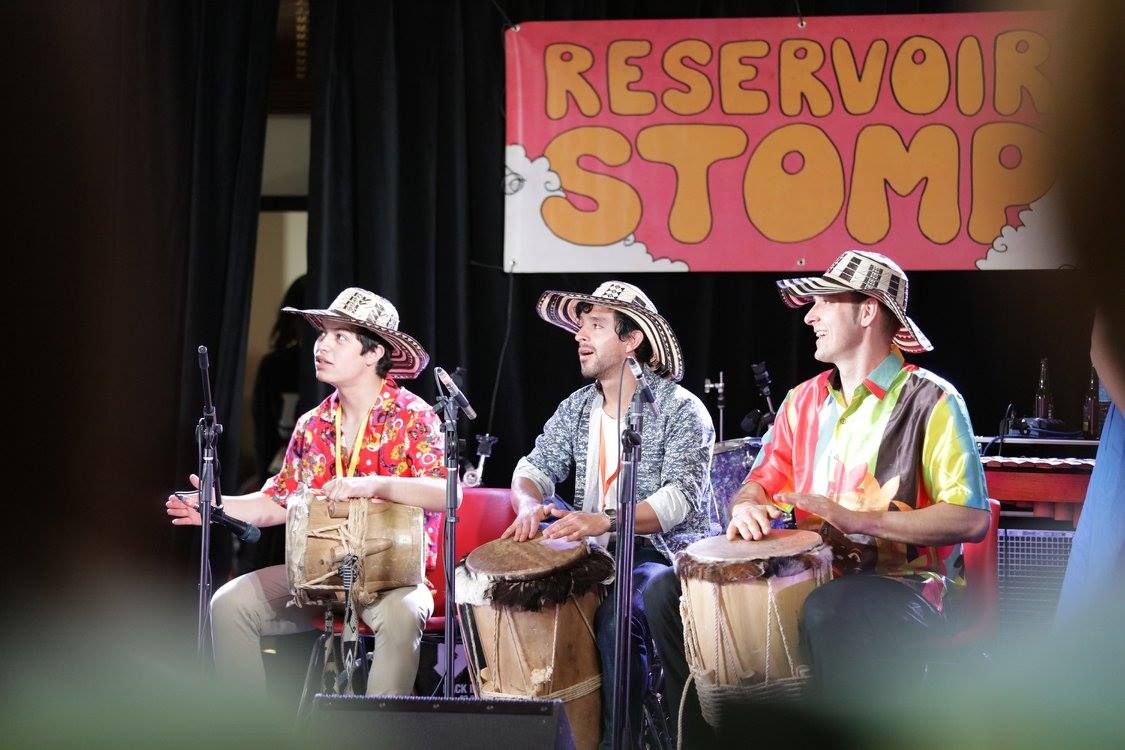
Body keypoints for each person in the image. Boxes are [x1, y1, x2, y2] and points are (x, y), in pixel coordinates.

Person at [645, 250, 992, 738]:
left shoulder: (933, 400)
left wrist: (861, 520)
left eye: (825, 302)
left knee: (830, 608)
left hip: (902, 588)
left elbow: (971, 518)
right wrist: (747, 506)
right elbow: (759, 483)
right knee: (666, 592)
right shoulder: (801, 402)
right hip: (806, 579)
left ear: (867, 311)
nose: (810, 316)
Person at [166, 287, 456, 697]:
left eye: (340, 337)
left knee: (404, 616)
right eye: (323, 335)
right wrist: (217, 506)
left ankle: (377, 729)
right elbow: (278, 500)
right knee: (229, 605)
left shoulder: (414, 416)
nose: (323, 345)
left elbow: (447, 493)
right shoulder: (313, 424)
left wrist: (372, 484)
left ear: (374, 353)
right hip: (322, 573)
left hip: (392, 579)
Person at [502, 280, 716, 747]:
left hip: (658, 555)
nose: (580, 335)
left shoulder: (681, 409)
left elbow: (679, 500)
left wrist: (608, 519)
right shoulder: (577, 407)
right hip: (592, 553)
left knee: (619, 620)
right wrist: (528, 503)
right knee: (516, 599)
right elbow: (533, 469)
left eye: (596, 325)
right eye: (581, 326)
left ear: (631, 339)